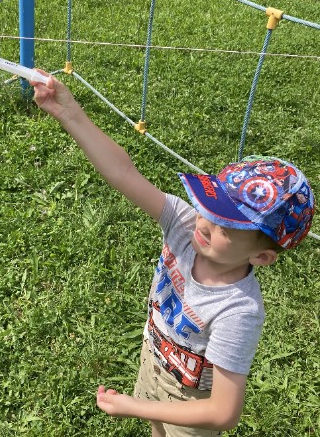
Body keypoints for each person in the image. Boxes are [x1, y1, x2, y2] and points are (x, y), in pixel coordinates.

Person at [32, 72, 315, 437]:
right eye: (211, 206)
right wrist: (69, 112)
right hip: (153, 360)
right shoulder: (184, 225)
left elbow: (223, 412)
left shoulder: (238, 311)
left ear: (261, 257)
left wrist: (133, 407)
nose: (206, 224)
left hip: (192, 403)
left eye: (227, 228)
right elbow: (123, 172)